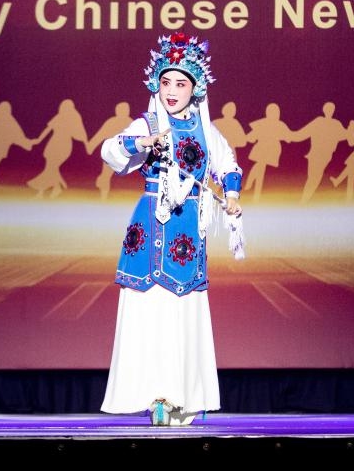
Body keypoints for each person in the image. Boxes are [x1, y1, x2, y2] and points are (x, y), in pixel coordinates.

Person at [99, 32, 244, 427]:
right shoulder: (146, 122)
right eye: (166, 82)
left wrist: (230, 195)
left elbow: (228, 165)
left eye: (181, 84)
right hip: (149, 226)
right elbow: (110, 150)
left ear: (195, 89)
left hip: (186, 231)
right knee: (150, 308)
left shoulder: (205, 130)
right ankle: (152, 396)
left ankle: (182, 396)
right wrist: (141, 142)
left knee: (182, 309)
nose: (172, 91)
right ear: (156, 85)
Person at [292, 101, 347, 204]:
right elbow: (303, 133)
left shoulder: (336, 124)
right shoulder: (319, 122)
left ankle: (304, 200)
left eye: (331, 109)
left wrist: (351, 129)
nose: (330, 111)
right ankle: (304, 200)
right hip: (315, 154)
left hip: (325, 155)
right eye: (328, 109)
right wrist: (291, 136)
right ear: (324, 110)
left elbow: (344, 135)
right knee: (314, 177)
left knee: (315, 177)